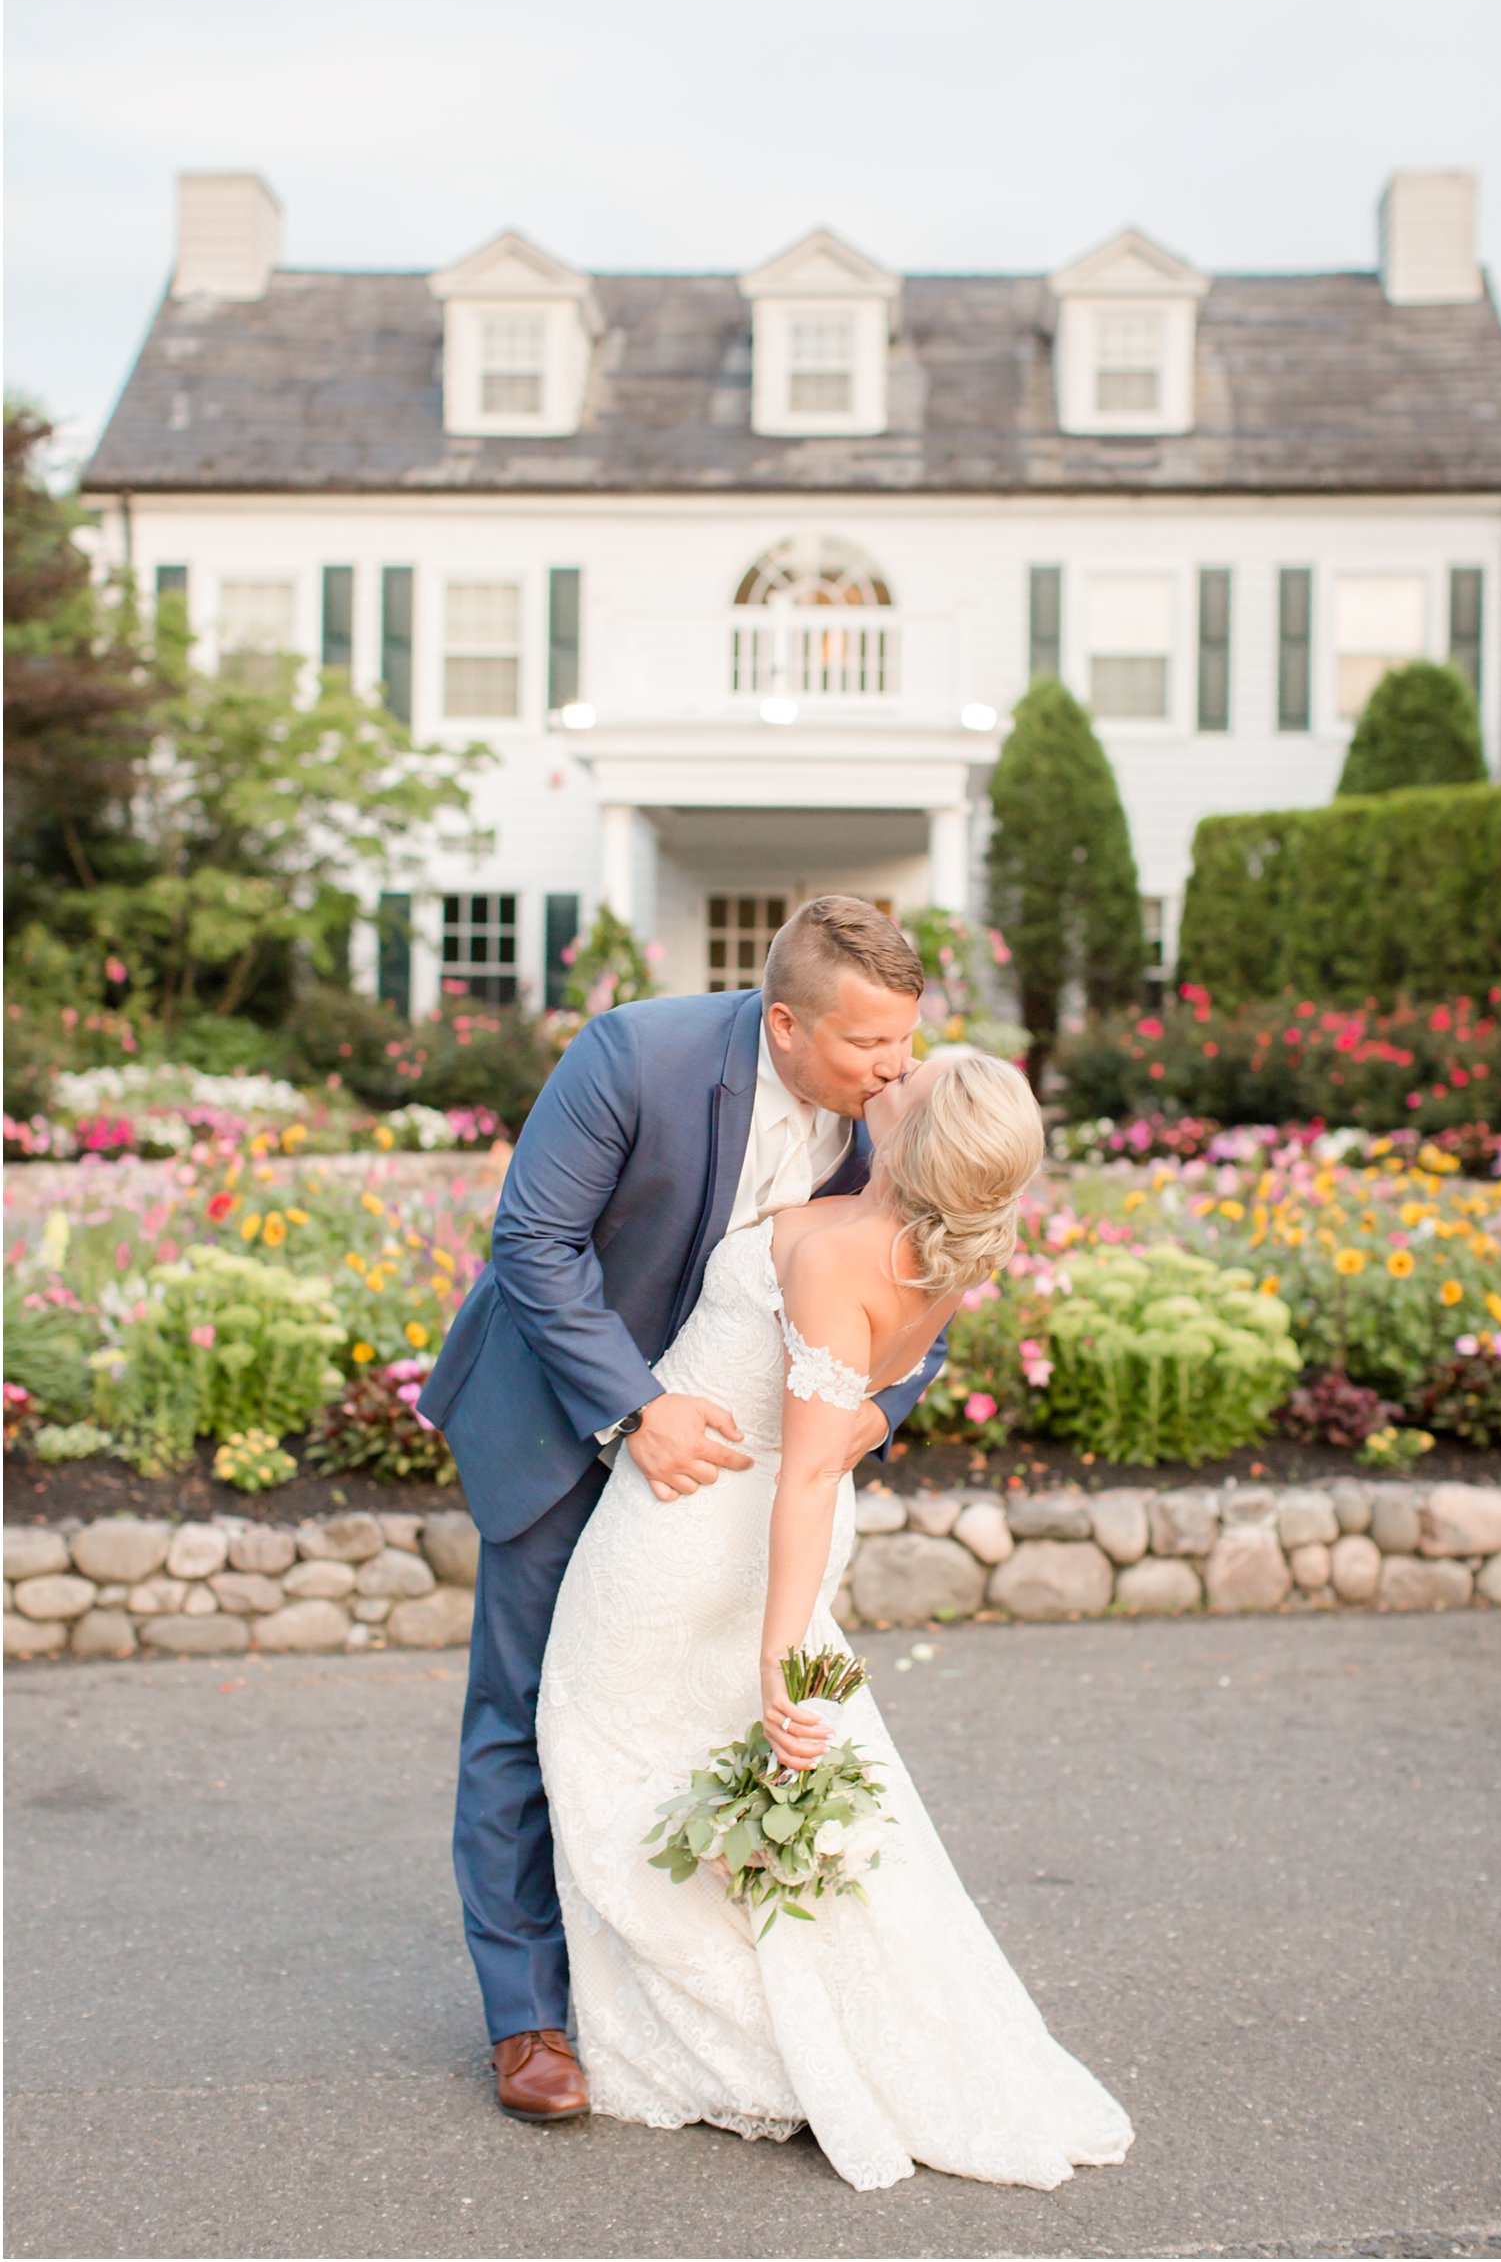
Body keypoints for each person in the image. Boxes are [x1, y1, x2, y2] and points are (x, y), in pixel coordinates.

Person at [535, 1037, 1136, 2191]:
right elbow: (857, 1403)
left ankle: (742, 2047)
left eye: (909, 1076)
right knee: (667, 1765)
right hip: (738, 1525)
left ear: (910, 1140)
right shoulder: (929, 1244)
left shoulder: (838, 1251)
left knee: (609, 1749)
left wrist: (783, 1655)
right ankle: (735, 2017)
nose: (891, 1070)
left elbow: (805, 1473)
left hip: (708, 1540)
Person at [417, 897, 947, 2124]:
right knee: (523, 1709)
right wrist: (634, 1407)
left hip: (743, 1464)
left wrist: (882, 1407)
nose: (896, 1066)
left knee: (703, 1710)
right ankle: (528, 2021)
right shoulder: (633, 1054)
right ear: (783, 1023)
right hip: (568, 1417)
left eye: (905, 1040)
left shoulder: (894, 1109)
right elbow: (533, 1240)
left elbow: (935, 1253)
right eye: (870, 1045)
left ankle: (681, 1995)